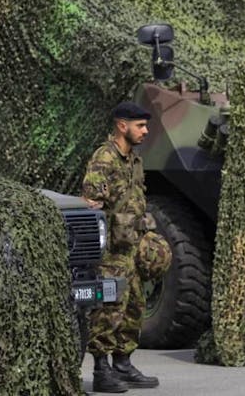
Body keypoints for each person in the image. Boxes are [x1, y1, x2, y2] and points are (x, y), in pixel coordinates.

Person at [81, 101, 163, 393]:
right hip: (112, 253)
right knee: (109, 310)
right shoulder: (104, 159)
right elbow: (91, 203)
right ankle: (102, 371)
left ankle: (124, 364)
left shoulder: (134, 160)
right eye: (140, 125)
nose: (145, 131)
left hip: (133, 248)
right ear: (121, 125)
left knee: (134, 307)